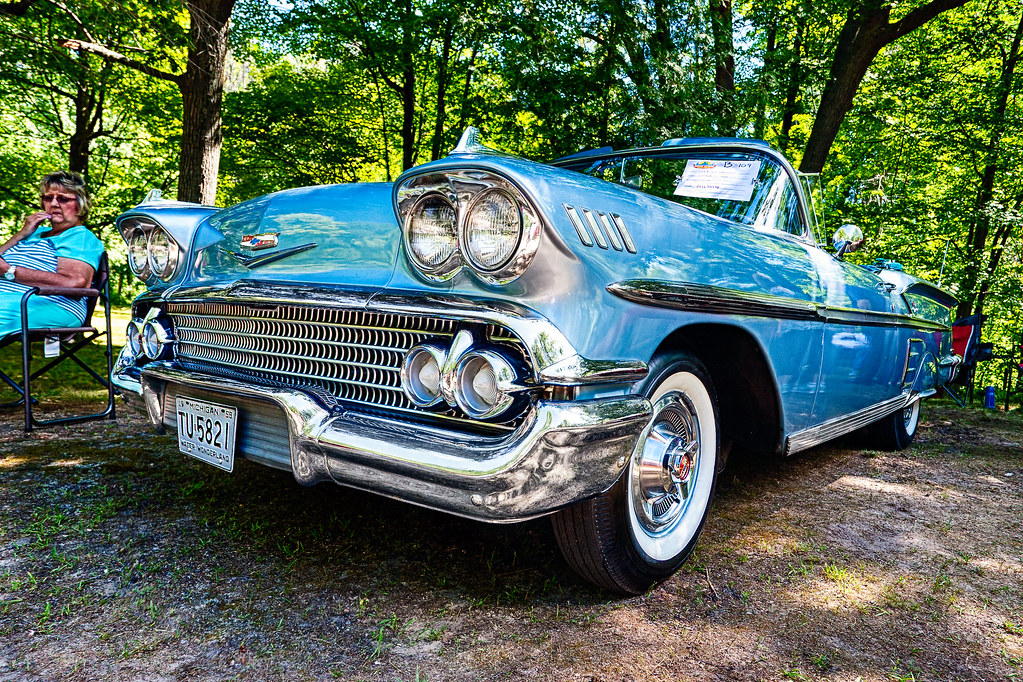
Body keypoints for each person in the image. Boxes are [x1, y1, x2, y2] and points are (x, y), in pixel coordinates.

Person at [0, 171, 105, 337]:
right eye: (48, 198)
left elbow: (75, 283)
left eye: (63, 198)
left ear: (80, 203)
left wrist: (9, 270)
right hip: (12, 299)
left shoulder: (80, 237)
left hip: (52, 304)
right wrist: (21, 234)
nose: (54, 204)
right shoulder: (35, 232)